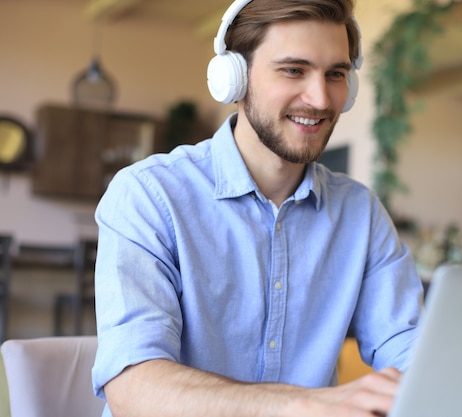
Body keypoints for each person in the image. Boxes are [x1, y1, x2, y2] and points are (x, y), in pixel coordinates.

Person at [91, 0, 423, 416]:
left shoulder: (361, 214)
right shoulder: (148, 195)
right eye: (293, 70)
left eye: (335, 74)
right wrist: (303, 404)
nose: (320, 98)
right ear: (234, 77)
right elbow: (134, 387)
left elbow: (407, 347)